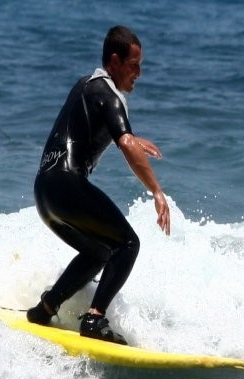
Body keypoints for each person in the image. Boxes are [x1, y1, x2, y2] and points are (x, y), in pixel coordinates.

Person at [25, 25, 171, 345]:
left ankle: (46, 307)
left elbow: (93, 126)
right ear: (115, 61)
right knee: (128, 244)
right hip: (66, 184)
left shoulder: (87, 86)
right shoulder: (107, 93)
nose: (139, 73)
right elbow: (125, 143)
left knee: (98, 252)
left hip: (46, 192)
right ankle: (94, 319)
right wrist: (157, 193)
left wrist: (132, 138)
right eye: (134, 65)